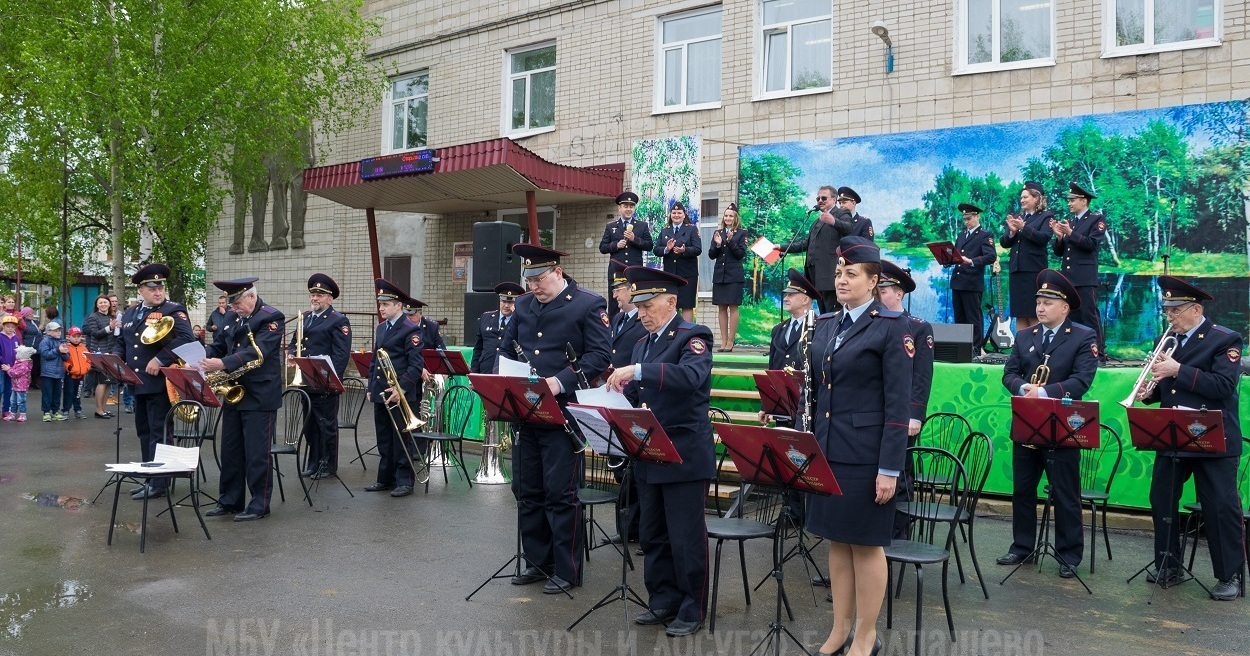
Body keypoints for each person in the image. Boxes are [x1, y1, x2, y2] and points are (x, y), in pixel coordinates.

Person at [805, 236, 912, 656]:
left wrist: (890, 468)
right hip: (831, 451)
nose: (842, 279)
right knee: (837, 541)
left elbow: (897, 403)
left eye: (851, 274)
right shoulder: (829, 324)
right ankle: (839, 629)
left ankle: (865, 635)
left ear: (873, 282)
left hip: (867, 456)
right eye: (838, 273)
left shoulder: (890, 327)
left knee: (867, 546)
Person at [606, 266, 715, 637]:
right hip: (649, 452)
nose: (642, 313)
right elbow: (639, 393)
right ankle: (663, 599)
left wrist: (637, 372)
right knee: (652, 533)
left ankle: (691, 606)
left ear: (671, 302)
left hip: (683, 453)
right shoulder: (641, 343)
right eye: (638, 306)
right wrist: (617, 398)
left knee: (685, 536)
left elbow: (691, 378)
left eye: (649, 305)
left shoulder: (693, 336)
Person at [500, 244, 611, 594]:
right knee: (526, 489)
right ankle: (537, 562)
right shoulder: (522, 305)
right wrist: (504, 379)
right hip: (526, 412)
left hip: (563, 413)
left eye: (540, 278)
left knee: (561, 494)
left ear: (558, 273)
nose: (534, 286)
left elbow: (599, 354)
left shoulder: (587, 304)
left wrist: (559, 380)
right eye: (529, 280)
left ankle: (567, 568)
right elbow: (504, 349)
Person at [1139, 276, 1244, 600]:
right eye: (1167, 309)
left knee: (1220, 507)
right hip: (1173, 434)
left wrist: (1176, 370)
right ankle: (1168, 564)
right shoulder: (1166, 339)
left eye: (1176, 310)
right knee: (1161, 499)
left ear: (1196, 309)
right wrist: (1147, 392)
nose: (1169, 316)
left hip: (1213, 436)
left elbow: (1223, 387)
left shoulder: (1224, 340)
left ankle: (1229, 575)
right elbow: (1166, 388)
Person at [997, 269, 1097, 578]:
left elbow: (1082, 380)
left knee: (1065, 492)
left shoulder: (1083, 336)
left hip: (1062, 426)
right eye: (1039, 301)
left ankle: (1069, 554)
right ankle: (1022, 546)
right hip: (1027, 424)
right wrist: (1020, 388)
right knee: (1023, 490)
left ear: (1065, 308)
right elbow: (1009, 372)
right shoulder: (1026, 335)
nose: (1040, 308)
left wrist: (1043, 391)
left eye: (1048, 303)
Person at [200, 278, 285, 521]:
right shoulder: (231, 316)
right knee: (230, 451)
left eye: (237, 302)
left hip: (260, 395)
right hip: (234, 392)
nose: (233, 308)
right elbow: (219, 345)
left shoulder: (270, 317)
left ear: (251, 296)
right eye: (231, 303)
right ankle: (229, 501)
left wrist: (224, 364)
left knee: (257, 453)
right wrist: (200, 356)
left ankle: (259, 504)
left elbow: (258, 351)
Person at [113, 263, 195, 500]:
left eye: (160, 287)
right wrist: (116, 362)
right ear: (141, 290)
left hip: (160, 383)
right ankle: (150, 477)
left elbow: (186, 338)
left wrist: (161, 358)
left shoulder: (173, 310)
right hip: (137, 383)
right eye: (152, 289)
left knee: (160, 432)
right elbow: (125, 343)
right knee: (144, 431)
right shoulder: (130, 313)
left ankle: (160, 484)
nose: (158, 292)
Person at [363, 279, 424, 498]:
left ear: (399, 306)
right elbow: (374, 361)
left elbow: (416, 366)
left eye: (386, 304)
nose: (381, 308)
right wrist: (370, 386)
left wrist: (402, 389)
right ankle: (384, 478)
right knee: (384, 438)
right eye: (380, 304)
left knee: (401, 439)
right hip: (382, 390)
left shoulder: (411, 330)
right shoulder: (381, 329)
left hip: (400, 394)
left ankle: (404, 480)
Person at [601, 261, 648, 547]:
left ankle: (641, 530)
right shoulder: (617, 319)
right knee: (622, 469)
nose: (615, 296)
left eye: (619, 290)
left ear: (631, 290)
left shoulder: (642, 321)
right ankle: (627, 528)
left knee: (636, 471)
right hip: (616, 394)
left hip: (636, 395)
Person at [289, 273, 352, 480]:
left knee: (326, 425)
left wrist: (332, 380)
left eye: (319, 295)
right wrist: (290, 353)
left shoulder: (338, 320)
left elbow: (341, 355)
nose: (314, 298)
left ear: (329, 299)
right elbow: (294, 342)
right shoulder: (305, 317)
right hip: (306, 380)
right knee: (310, 425)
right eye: (313, 294)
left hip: (325, 382)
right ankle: (314, 462)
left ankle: (328, 465)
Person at [773, 185, 855, 313]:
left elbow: (849, 228)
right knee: (822, 311)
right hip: (814, 275)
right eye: (818, 199)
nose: (820, 201)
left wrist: (833, 221)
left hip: (829, 273)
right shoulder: (816, 221)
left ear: (834, 200)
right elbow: (807, 244)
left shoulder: (841, 213)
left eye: (824, 198)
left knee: (832, 311)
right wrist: (782, 247)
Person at [1052, 182, 1107, 361]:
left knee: (1089, 316)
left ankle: (1097, 353)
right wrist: (1060, 237)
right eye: (1068, 200)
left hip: (1084, 277)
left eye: (1072, 200)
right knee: (1071, 316)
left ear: (1083, 201)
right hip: (1068, 278)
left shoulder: (1096, 219)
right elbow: (1060, 252)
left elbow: (1091, 244)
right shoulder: (1073, 222)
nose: (1069, 203)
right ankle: (1076, 352)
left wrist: (1070, 233)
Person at [1000, 181, 1055, 331]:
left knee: (1033, 312)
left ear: (1036, 198)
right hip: (1017, 271)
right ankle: (1022, 350)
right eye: (1021, 198)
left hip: (1033, 271)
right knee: (1020, 313)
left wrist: (1023, 228)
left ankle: (1035, 350)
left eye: (1026, 197)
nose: (1022, 200)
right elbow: (1004, 242)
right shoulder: (1019, 217)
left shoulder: (1046, 216)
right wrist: (1011, 232)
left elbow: (1043, 238)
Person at [949, 203, 997, 353]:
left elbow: (991, 256)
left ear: (977, 216)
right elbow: (957, 254)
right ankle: (961, 347)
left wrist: (972, 261)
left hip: (971, 282)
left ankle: (976, 348)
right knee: (960, 317)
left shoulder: (984, 235)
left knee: (973, 318)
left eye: (969, 218)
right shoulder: (962, 235)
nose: (966, 222)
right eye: (964, 219)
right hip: (957, 281)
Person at [599, 191, 654, 317]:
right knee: (614, 303)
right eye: (625, 206)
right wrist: (615, 245)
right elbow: (602, 247)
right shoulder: (611, 226)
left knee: (635, 302)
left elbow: (649, 246)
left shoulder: (641, 226)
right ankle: (613, 333)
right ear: (619, 208)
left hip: (634, 271)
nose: (628, 209)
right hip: (616, 271)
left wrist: (635, 239)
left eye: (631, 206)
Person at [653, 201, 701, 322]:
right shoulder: (665, 230)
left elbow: (698, 249)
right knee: (671, 305)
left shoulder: (691, 229)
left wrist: (684, 250)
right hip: (670, 274)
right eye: (674, 213)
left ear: (684, 215)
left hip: (687, 274)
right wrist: (666, 249)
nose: (676, 215)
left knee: (686, 305)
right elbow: (656, 249)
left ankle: (686, 334)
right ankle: (672, 335)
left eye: (679, 213)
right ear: (670, 215)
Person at [708, 203, 747, 351]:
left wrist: (730, 242)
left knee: (733, 306)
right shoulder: (718, 232)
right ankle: (723, 341)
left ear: (735, 217)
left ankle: (731, 340)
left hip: (734, 275)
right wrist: (717, 245)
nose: (728, 218)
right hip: (720, 275)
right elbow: (711, 255)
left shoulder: (742, 233)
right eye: (726, 215)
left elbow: (740, 254)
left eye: (731, 215)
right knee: (721, 307)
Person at [767, 269, 819, 373]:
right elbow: (772, 367)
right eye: (786, 295)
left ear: (805, 300)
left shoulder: (819, 327)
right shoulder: (778, 330)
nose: (785, 299)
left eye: (791, 295)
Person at [471, 282, 523, 375]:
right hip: (486, 370)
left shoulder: (521, 321)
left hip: (508, 372)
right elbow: (478, 348)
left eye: (510, 302)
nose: (506, 305)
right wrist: (474, 372)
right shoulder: (486, 317)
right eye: (504, 301)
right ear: (499, 300)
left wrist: (517, 314)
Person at [82, 295, 118, 418]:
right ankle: (98, 410)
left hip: (111, 352)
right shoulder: (93, 317)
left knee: (109, 382)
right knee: (102, 382)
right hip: (99, 353)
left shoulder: (112, 317)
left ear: (109, 304)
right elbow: (95, 334)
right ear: (97, 305)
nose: (103, 304)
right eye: (101, 302)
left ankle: (104, 408)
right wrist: (109, 328)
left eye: (105, 302)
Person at [38, 321, 69, 422]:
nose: (59, 332)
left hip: (59, 372)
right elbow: (45, 354)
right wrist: (58, 350)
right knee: (47, 393)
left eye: (59, 330)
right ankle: (46, 412)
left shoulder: (61, 341)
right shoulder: (45, 341)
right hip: (47, 372)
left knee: (57, 393)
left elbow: (66, 358)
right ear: (49, 332)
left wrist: (65, 353)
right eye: (56, 330)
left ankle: (55, 411)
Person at [63, 327, 90, 419]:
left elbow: (88, 360)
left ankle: (77, 410)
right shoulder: (66, 348)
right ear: (69, 337)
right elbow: (64, 361)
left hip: (80, 376)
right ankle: (66, 410)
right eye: (74, 336)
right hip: (70, 376)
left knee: (78, 394)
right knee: (68, 393)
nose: (76, 338)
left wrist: (86, 368)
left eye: (78, 336)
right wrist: (69, 368)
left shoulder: (84, 348)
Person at [0, 316, 22, 421]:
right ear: (3, 326)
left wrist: (16, 364)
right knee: (0, 388)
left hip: (12, 369)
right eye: (8, 326)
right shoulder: (0, 337)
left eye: (12, 327)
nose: (10, 329)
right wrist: (3, 363)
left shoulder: (16, 338)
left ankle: (5, 410)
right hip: (1, 367)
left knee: (9, 390)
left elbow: (19, 352)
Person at [7, 345, 34, 422]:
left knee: (21, 401)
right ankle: (12, 414)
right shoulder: (18, 363)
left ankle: (23, 414)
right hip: (15, 385)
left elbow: (15, 373)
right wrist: (10, 368)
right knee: (13, 401)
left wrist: (8, 369)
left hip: (21, 387)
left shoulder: (24, 365)